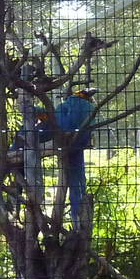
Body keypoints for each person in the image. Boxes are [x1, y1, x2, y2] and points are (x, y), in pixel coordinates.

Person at [46, 86, 96, 224]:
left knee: (74, 182)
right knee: (78, 183)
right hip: (78, 143)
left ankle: (75, 219)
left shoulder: (62, 107)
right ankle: (78, 219)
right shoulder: (89, 107)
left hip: (64, 143)